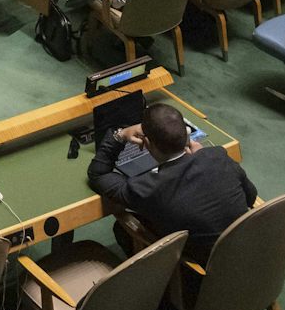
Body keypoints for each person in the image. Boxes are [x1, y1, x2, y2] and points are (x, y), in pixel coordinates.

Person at [87, 103, 258, 263]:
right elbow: (250, 197)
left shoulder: (149, 188)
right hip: (251, 252)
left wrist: (121, 135)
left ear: (147, 143)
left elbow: (98, 174)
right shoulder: (217, 156)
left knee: (122, 229)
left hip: (205, 271)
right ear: (187, 134)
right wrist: (202, 157)